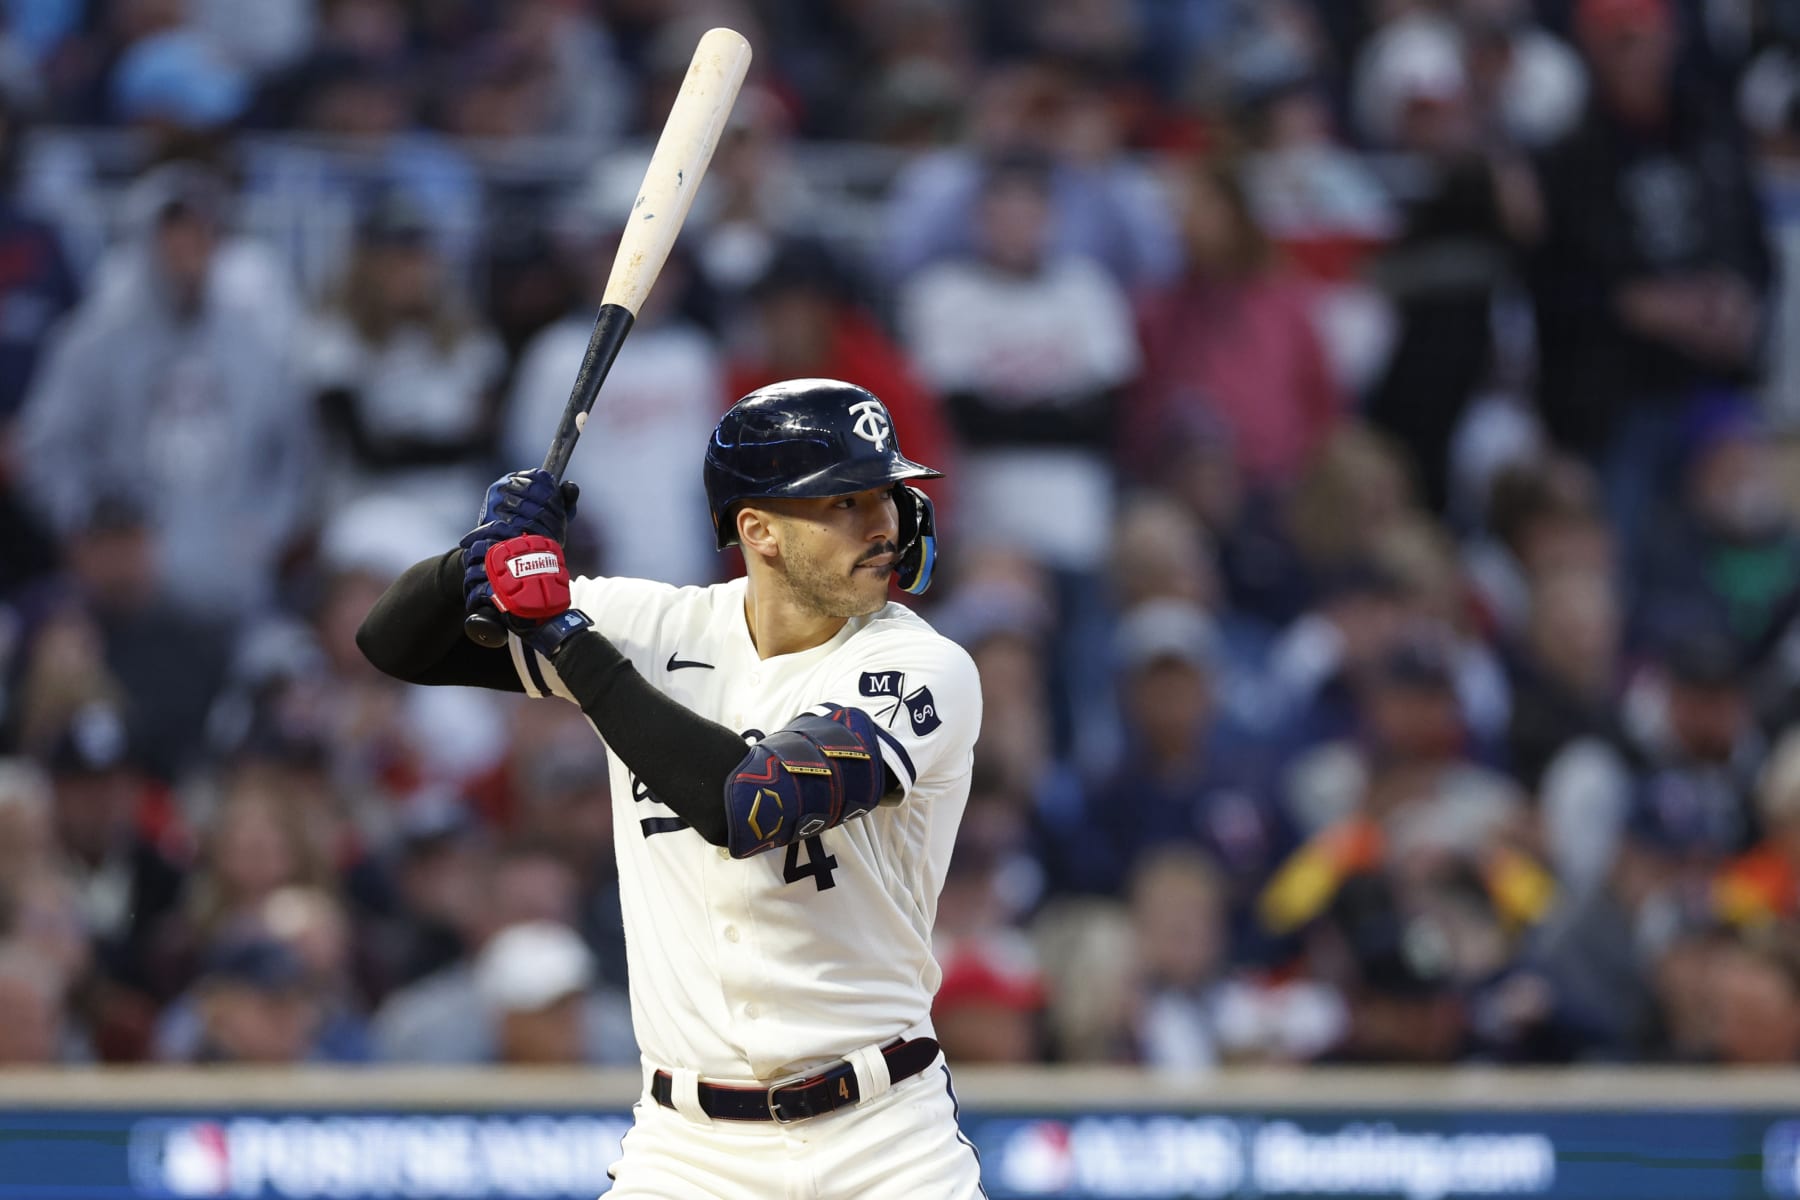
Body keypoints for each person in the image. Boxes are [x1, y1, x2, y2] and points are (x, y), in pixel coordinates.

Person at [358, 379, 984, 1197]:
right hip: (688, 1149)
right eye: (843, 501)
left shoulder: (921, 665)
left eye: (887, 496)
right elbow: (394, 645)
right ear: (757, 528)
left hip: (881, 1141)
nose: (882, 524)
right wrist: (473, 559)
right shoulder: (661, 627)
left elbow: (750, 804)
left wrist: (565, 635)